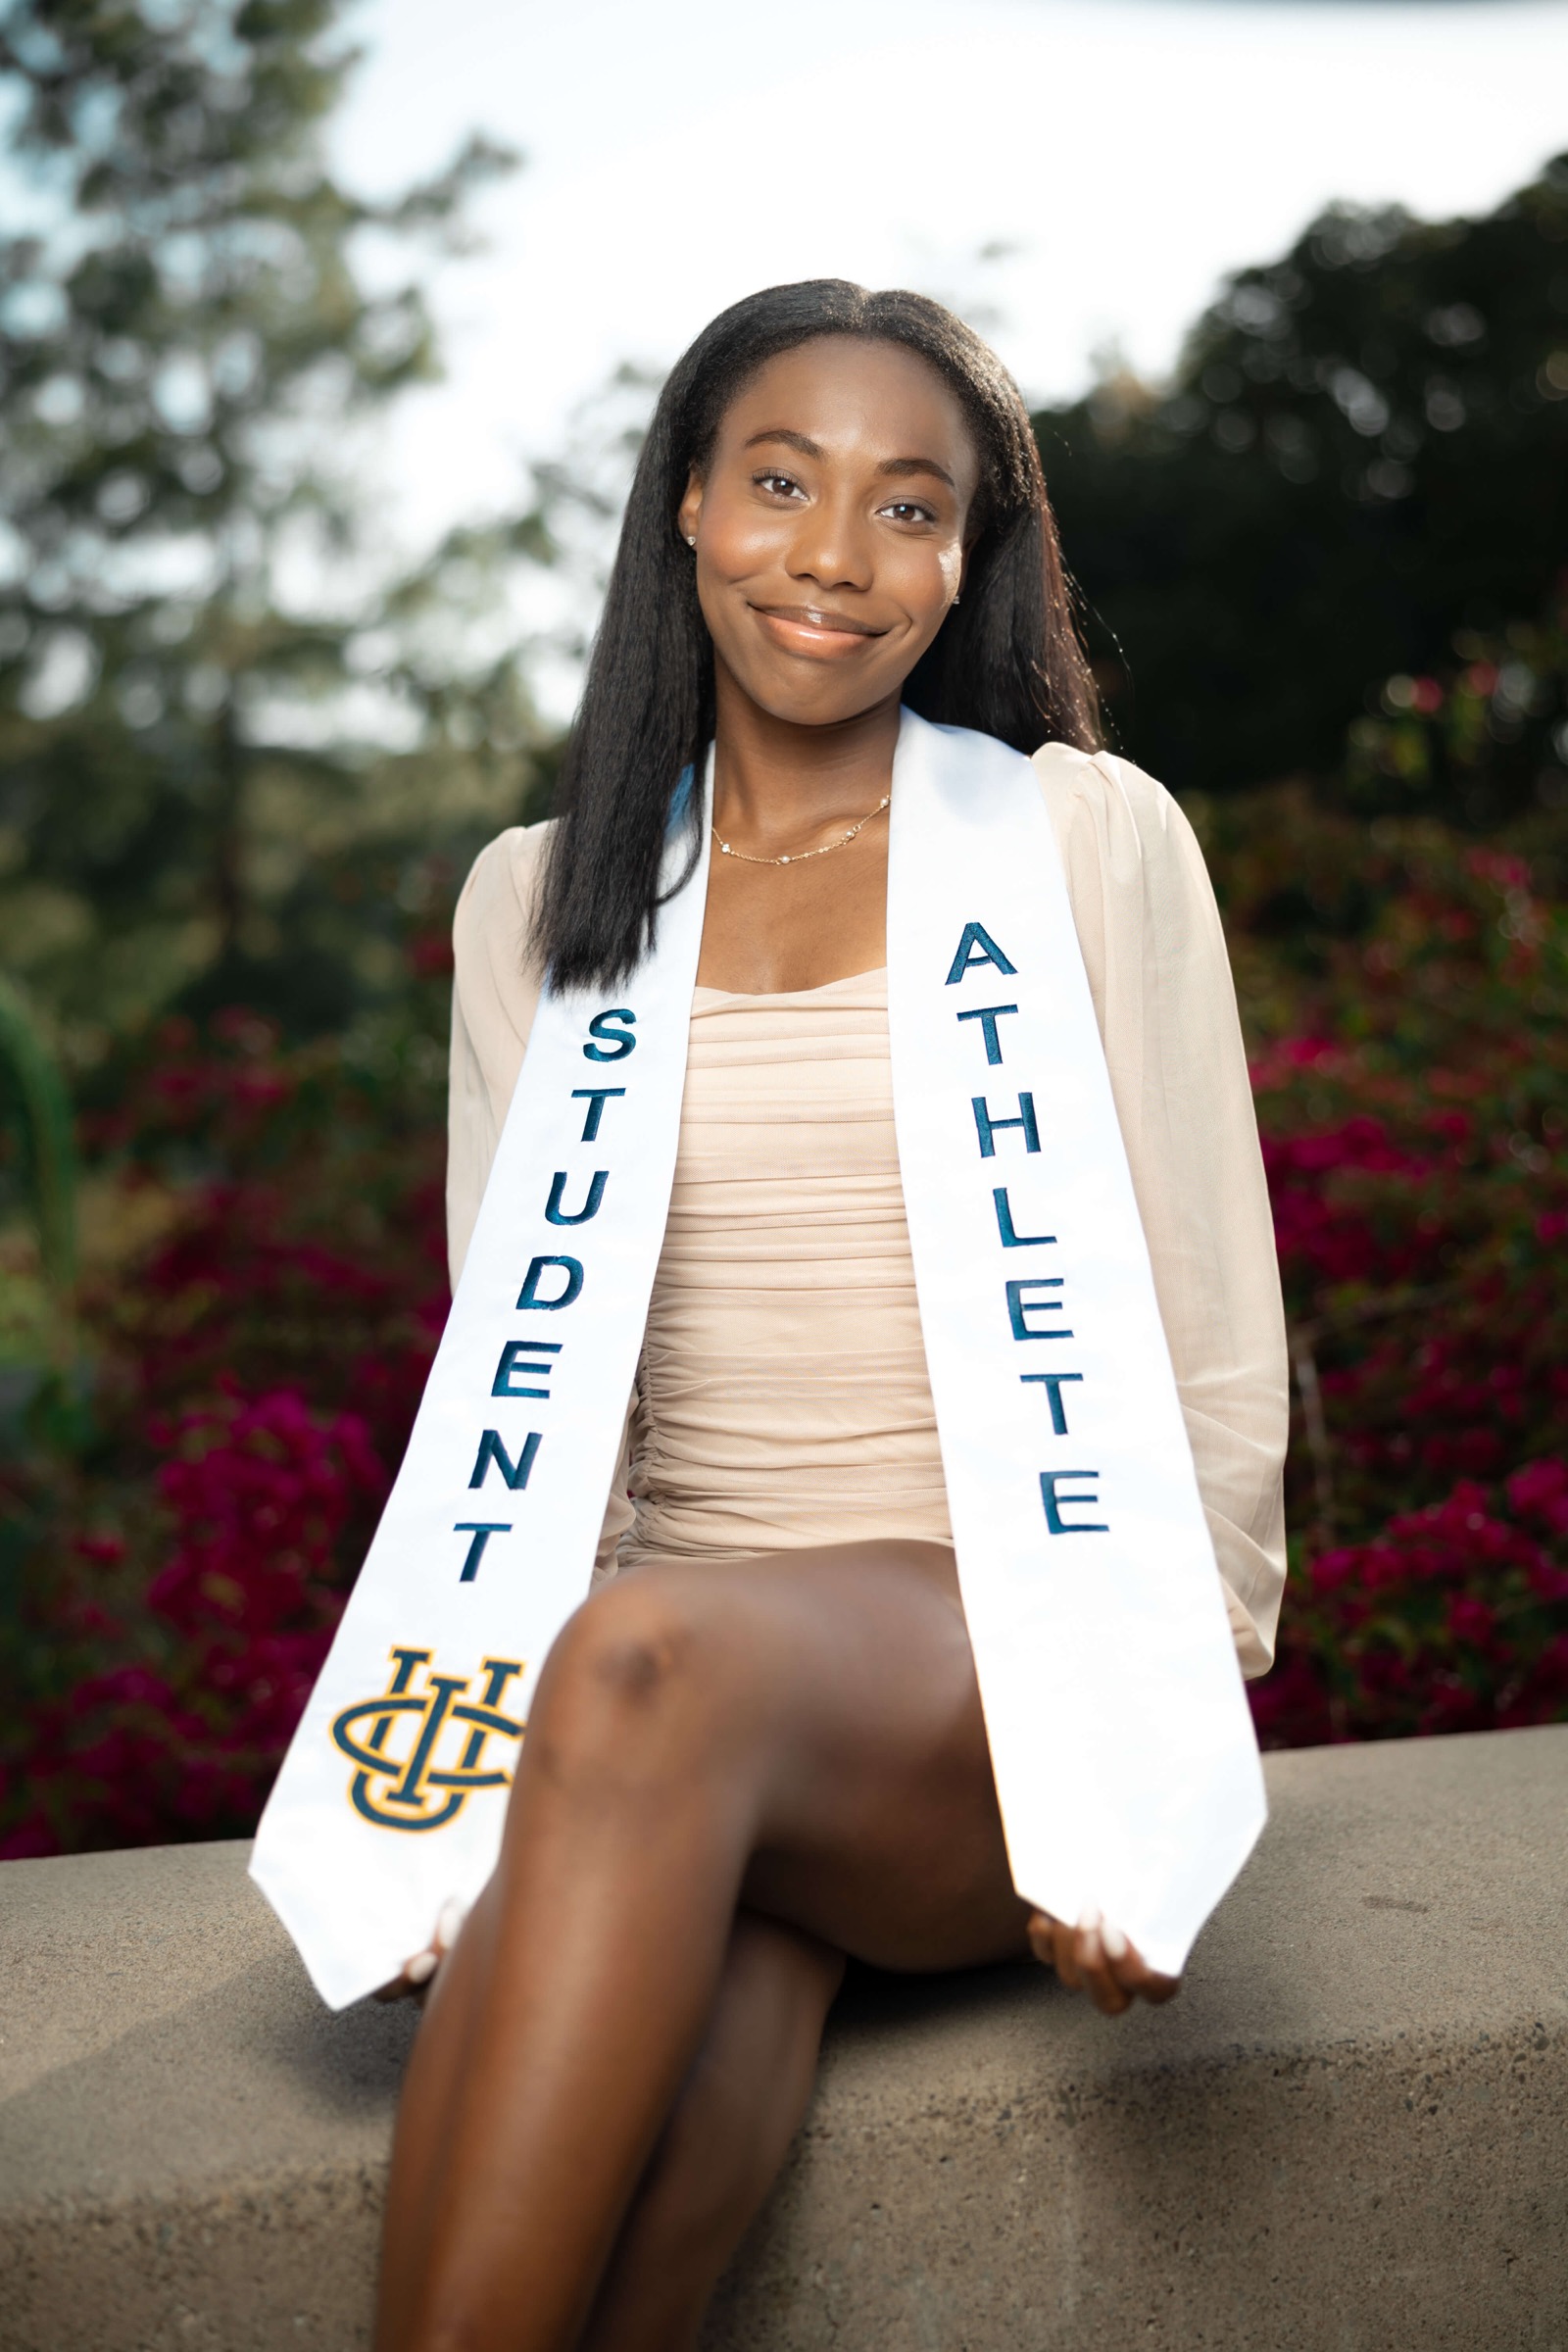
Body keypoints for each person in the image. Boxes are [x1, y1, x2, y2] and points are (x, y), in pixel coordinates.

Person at [373, 280, 1287, 2352]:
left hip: (999, 1663)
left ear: (970, 558)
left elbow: (1214, 1332)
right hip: (688, 1704)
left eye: (908, 507)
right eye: (779, 483)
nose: (833, 558)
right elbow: (510, 1390)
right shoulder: (543, 897)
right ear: (687, 504)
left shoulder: (1075, 839)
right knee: (644, 2126)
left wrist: (1139, 1757)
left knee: (638, 1667)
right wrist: (450, 1788)